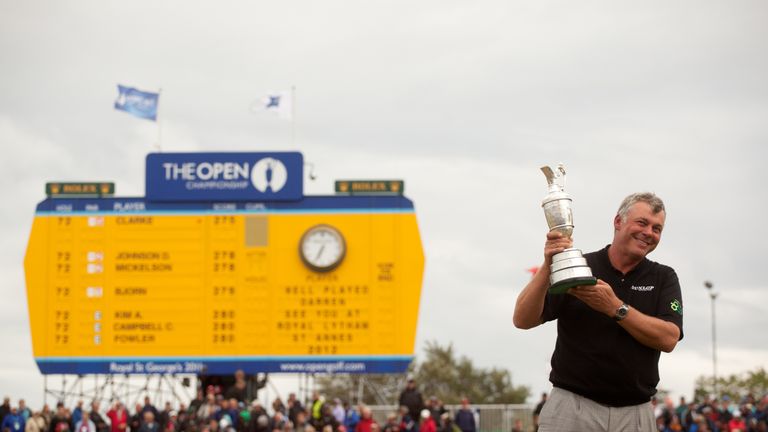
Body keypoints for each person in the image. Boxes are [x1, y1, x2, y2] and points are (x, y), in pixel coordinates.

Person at [513, 192, 684, 432]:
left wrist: (615, 307)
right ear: (618, 222)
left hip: (636, 412)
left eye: (657, 229)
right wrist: (548, 265)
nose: (649, 233)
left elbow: (668, 338)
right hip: (572, 407)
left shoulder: (664, 277)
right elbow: (522, 319)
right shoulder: (580, 266)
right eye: (642, 223)